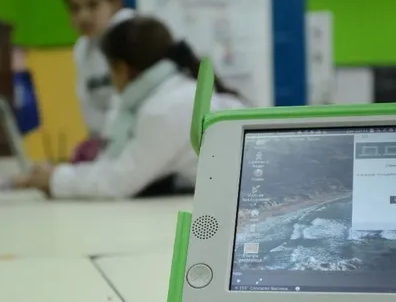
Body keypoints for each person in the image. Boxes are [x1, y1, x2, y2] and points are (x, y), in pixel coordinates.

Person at [14, 16, 244, 200]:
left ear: (121, 68)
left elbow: (119, 181)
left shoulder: (166, 107)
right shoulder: (173, 93)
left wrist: (54, 178)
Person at [64, 0, 136, 154]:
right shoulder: (82, 49)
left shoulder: (131, 36)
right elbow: (87, 104)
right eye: (75, 9)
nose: (83, 16)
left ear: (116, 3)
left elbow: (127, 101)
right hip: (109, 143)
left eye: (93, 5)